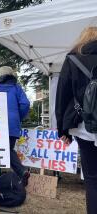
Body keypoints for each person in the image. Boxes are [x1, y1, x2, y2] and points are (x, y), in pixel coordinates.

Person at [55, 27, 97, 214]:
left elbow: (62, 96)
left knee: (92, 179)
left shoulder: (73, 59)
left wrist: (63, 130)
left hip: (84, 127)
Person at [0, 66, 30, 186]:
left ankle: (19, 171)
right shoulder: (16, 88)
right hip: (12, 125)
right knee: (7, 149)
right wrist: (18, 117)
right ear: (12, 75)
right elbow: (25, 104)